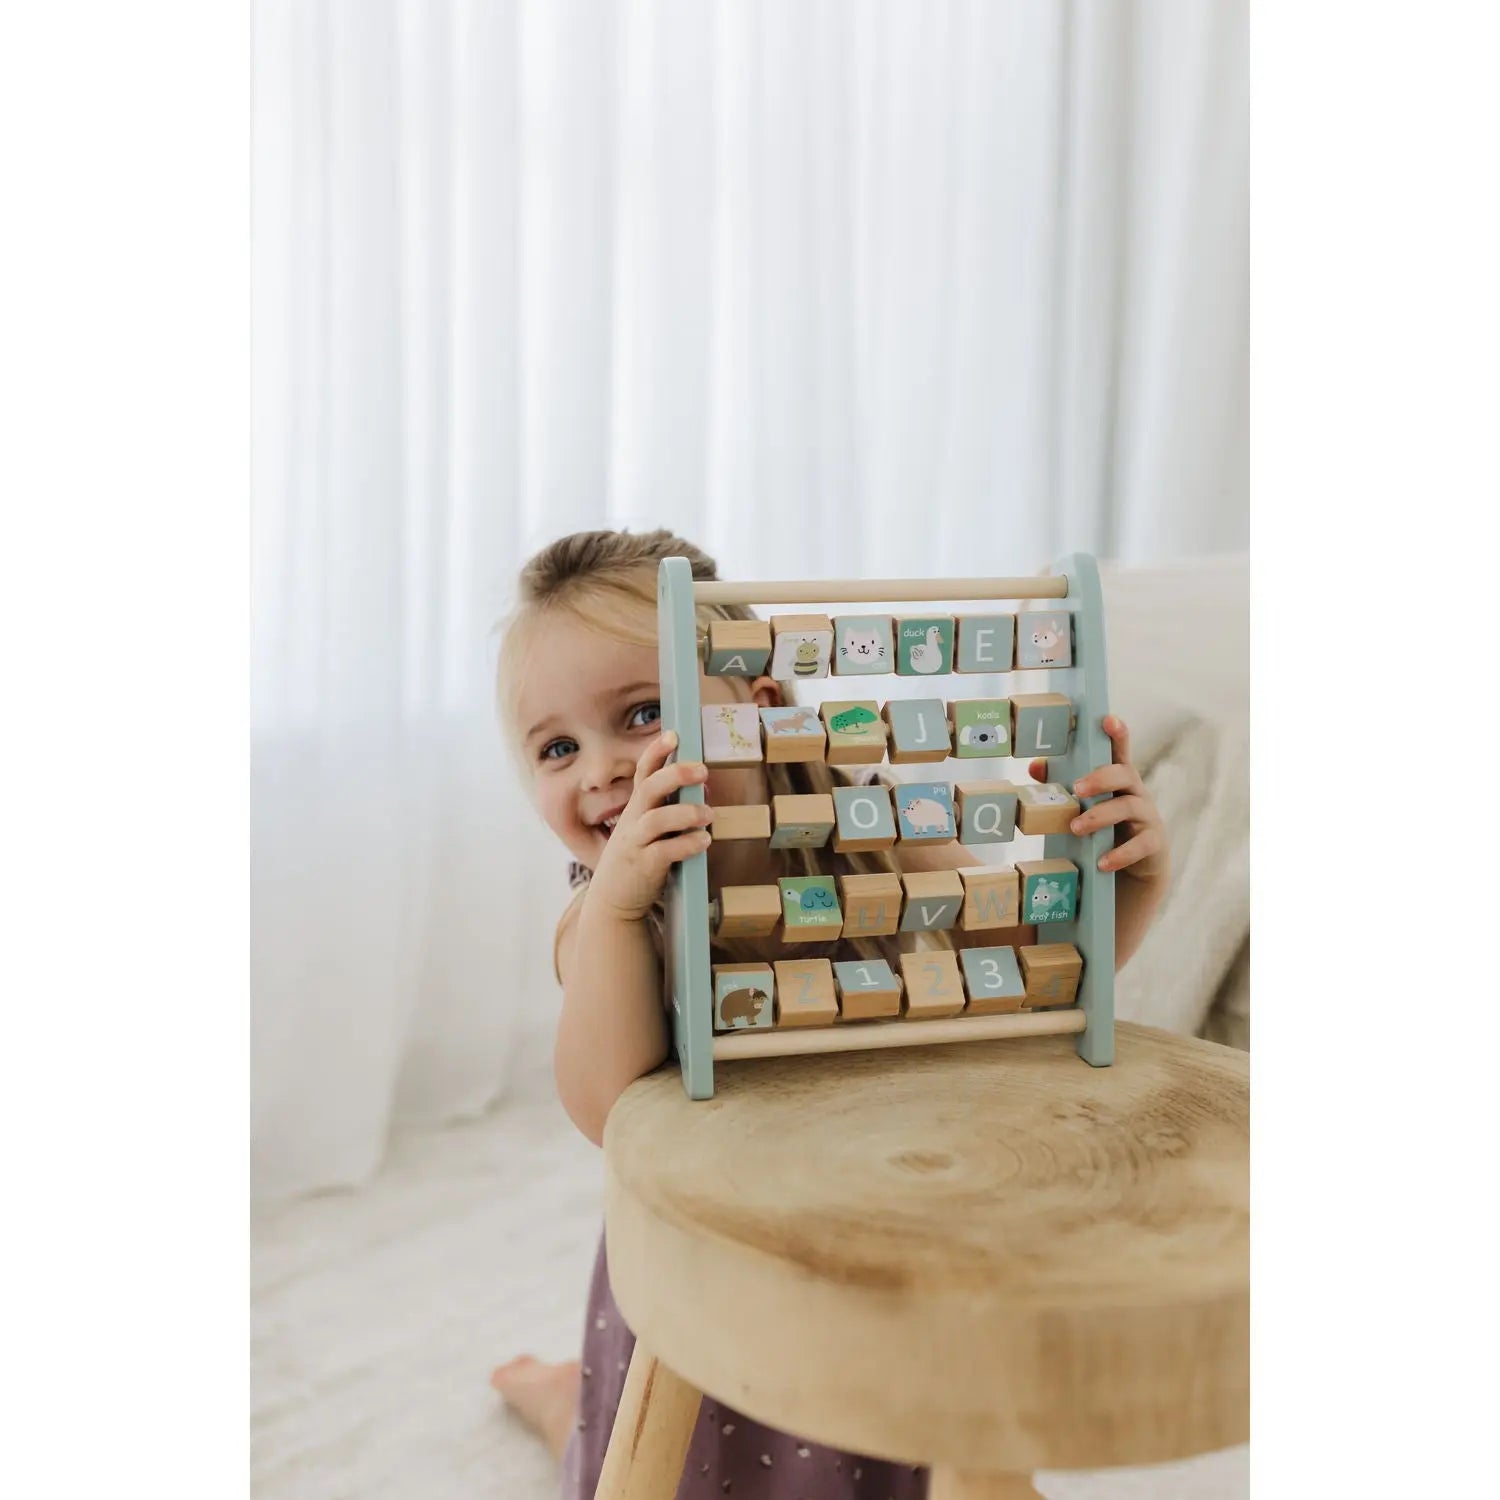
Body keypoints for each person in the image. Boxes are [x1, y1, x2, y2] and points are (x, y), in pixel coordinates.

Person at [490, 528, 1170, 1498]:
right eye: (558, 748)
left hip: (874, 1216)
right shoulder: (603, 918)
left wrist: (1120, 884)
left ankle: (566, 1400)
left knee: (883, 1438)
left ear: (760, 705)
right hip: (712, 1247)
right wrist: (620, 909)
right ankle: (562, 1402)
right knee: (676, 1459)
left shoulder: (870, 823)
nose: (600, 769)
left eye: (642, 713)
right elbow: (608, 1109)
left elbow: (1035, 964)